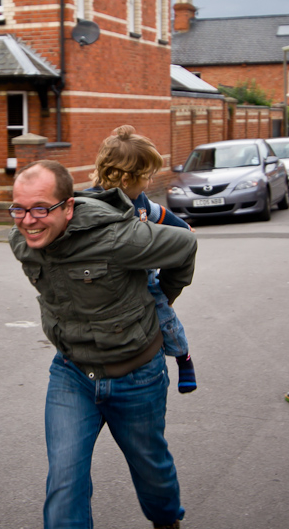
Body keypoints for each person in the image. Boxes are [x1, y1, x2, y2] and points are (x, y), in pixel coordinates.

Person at [8, 160, 197, 529]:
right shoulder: (23, 242)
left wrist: (161, 300)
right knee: (64, 482)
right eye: (19, 208)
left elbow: (185, 245)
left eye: (41, 208)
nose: (28, 221)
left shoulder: (117, 239)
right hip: (72, 374)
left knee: (153, 474)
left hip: (137, 375)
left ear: (68, 207)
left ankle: (167, 521)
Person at [89, 125, 197, 393]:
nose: (150, 183)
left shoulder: (141, 201)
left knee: (164, 316)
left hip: (145, 277)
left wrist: (182, 229)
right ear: (126, 179)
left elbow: (160, 214)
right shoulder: (92, 203)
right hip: (109, 281)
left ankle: (184, 357)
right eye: (147, 177)